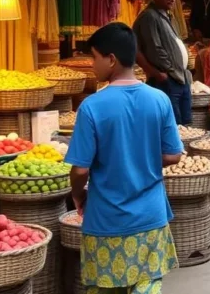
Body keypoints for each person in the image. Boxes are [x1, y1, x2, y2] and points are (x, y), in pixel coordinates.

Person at [67, 23, 183, 294]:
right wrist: (142, 158)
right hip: (151, 216)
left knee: (103, 288)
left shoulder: (91, 107)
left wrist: (77, 194)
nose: (92, 64)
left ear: (111, 59)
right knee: (147, 286)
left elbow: (81, 170)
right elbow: (173, 155)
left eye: (94, 57)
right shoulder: (159, 100)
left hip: (106, 219)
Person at [134, 0, 193, 125]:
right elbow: (155, 49)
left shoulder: (166, 15)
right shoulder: (150, 16)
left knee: (186, 126)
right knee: (173, 125)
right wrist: (166, 72)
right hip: (168, 79)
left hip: (179, 77)